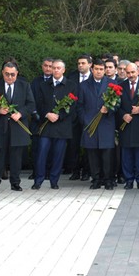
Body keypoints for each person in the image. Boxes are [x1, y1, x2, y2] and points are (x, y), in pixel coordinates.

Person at [33, 59, 78, 189]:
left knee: (58, 155)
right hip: (46, 124)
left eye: (58, 68)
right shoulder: (43, 85)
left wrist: (60, 116)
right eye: (54, 68)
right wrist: (47, 114)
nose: (56, 70)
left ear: (63, 70)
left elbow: (73, 106)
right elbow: (38, 103)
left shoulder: (71, 85)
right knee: (42, 153)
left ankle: (54, 181)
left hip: (62, 126)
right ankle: (38, 180)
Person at [0, 62, 35, 191]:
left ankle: (15, 183)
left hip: (18, 127)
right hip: (1, 127)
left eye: (12, 74)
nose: (10, 77)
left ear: (17, 74)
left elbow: (31, 104)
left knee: (16, 157)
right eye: (7, 74)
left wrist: (20, 113)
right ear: (2, 73)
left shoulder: (24, 86)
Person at [78, 60, 116, 190]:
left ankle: (108, 180)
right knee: (92, 155)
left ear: (105, 70)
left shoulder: (112, 84)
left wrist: (109, 109)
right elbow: (79, 106)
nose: (99, 71)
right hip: (90, 125)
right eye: (96, 69)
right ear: (92, 69)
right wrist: (85, 120)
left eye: (101, 69)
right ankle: (96, 179)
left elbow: (118, 104)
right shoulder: (83, 85)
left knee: (107, 155)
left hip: (106, 124)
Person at [118, 62, 139, 190]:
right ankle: (129, 180)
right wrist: (123, 115)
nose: (131, 75)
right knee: (126, 155)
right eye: (128, 73)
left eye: (133, 72)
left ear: (138, 71)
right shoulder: (120, 86)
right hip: (126, 126)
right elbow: (117, 105)